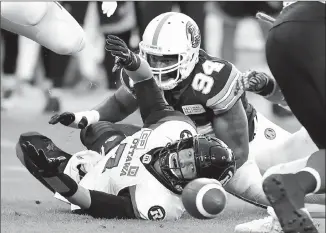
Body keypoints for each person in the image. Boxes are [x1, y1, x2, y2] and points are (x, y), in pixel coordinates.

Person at [48, 12, 318, 208]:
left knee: (300, 175)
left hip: (242, 148)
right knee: (99, 132)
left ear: (190, 54)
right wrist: (85, 117)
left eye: (166, 59)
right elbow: (119, 104)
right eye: (152, 57)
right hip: (186, 150)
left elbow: (237, 152)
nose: (157, 65)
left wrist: (189, 176)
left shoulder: (214, 78)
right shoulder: (142, 71)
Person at [16, 43, 235, 220]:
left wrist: (53, 177)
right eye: (187, 154)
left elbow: (90, 201)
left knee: (27, 145)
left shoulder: (159, 204)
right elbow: (147, 84)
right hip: (119, 148)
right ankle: (104, 145)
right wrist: (133, 62)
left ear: (193, 182)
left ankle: (73, 166)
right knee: (91, 130)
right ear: (184, 143)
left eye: (190, 167)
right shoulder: (177, 128)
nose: (182, 161)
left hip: (95, 180)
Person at [235, 2, 325, 233]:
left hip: (283, 31)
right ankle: (293, 190)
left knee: (271, 169)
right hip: (311, 21)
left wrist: (269, 89)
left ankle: (289, 194)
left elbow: (304, 94)